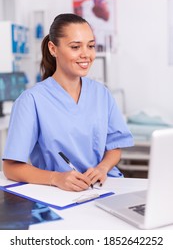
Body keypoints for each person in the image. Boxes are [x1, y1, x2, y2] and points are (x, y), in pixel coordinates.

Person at [2, 13, 134, 191]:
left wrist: (102, 168)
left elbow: (115, 146)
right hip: (58, 193)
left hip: (103, 187)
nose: (86, 54)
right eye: (75, 47)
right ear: (53, 49)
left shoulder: (101, 93)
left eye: (91, 46)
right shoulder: (31, 101)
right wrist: (56, 178)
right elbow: (11, 168)